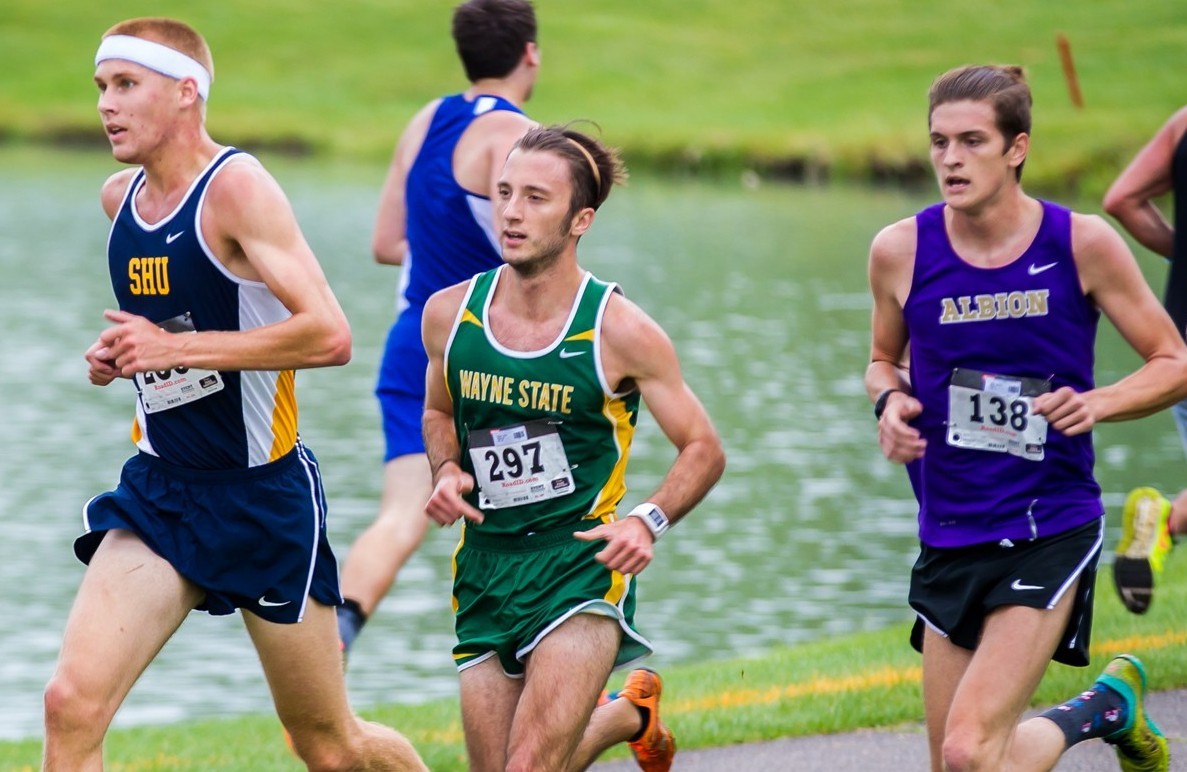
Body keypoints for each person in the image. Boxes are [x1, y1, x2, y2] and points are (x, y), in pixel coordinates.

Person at [41, 18, 426, 771]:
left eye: (127, 85)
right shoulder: (121, 200)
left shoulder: (237, 190)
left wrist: (172, 350)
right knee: (69, 706)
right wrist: (123, 353)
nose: (106, 104)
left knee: (330, 746)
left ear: (187, 92)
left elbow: (330, 336)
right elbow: (175, 325)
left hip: (262, 499)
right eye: (102, 87)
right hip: (160, 492)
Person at [865, 64, 1185, 771]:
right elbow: (883, 360)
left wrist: (1096, 402)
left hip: (1049, 524)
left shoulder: (1080, 243)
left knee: (968, 753)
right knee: (965, 763)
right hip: (949, 527)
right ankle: (1103, 709)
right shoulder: (899, 250)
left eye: (972, 141)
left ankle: (1096, 710)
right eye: (939, 142)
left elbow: (1173, 362)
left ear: (1017, 148)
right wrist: (888, 401)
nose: (951, 159)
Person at [421, 124, 725, 772]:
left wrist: (645, 522)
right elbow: (438, 411)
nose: (511, 211)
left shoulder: (619, 331)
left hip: (580, 563)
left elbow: (702, 446)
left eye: (536, 198)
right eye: (505, 192)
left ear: (580, 219)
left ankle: (619, 711)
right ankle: (626, 715)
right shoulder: (449, 315)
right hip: (484, 567)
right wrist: (445, 469)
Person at [335, 0, 541, 658]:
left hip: (414, 346)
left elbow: (386, 244)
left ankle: (328, 648)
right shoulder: (522, 140)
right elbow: (534, 255)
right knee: (536, 522)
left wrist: (445, 258)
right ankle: (561, 679)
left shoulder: (426, 120)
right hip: (495, 352)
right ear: (530, 53)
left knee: (400, 517)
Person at [1102, 107, 1187, 614]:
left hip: (1178, 341)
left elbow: (1123, 199)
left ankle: (1165, 520)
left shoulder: (1183, 123)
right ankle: (1165, 522)